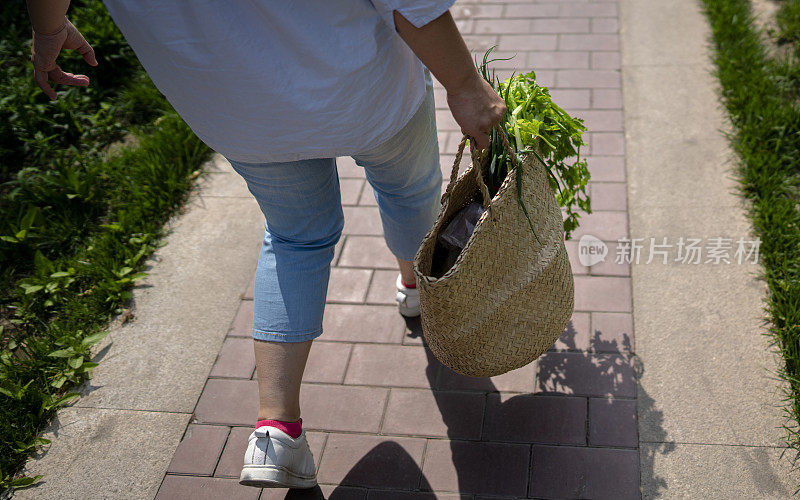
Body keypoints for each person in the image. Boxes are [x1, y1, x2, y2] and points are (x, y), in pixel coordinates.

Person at [25, 0, 506, 489]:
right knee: (409, 193)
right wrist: (465, 84)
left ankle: (277, 432)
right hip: (366, 84)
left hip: (240, 111)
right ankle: (414, 287)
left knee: (296, 237)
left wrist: (47, 30)